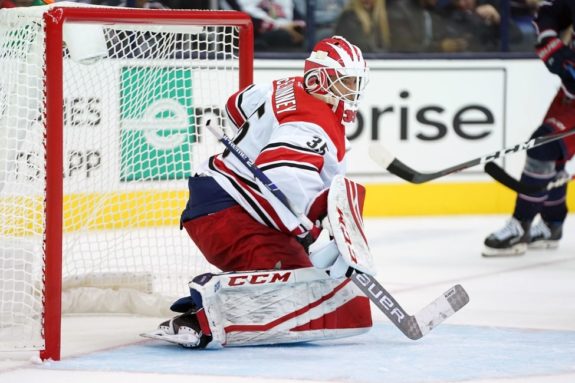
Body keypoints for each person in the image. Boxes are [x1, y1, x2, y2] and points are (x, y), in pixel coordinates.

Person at [142, 36, 373, 349]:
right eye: (346, 84)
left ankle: (214, 301)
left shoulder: (286, 86)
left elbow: (236, 106)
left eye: (356, 84)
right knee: (308, 287)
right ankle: (201, 315)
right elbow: (282, 184)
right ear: (319, 81)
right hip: (227, 214)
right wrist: (309, 234)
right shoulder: (312, 125)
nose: (353, 93)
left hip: (221, 201)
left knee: (309, 277)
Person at [482, 0, 574, 257]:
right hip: (570, 94)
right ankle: (552, 224)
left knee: (542, 147)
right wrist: (550, 39)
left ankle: (520, 226)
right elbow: (555, 11)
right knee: (550, 154)